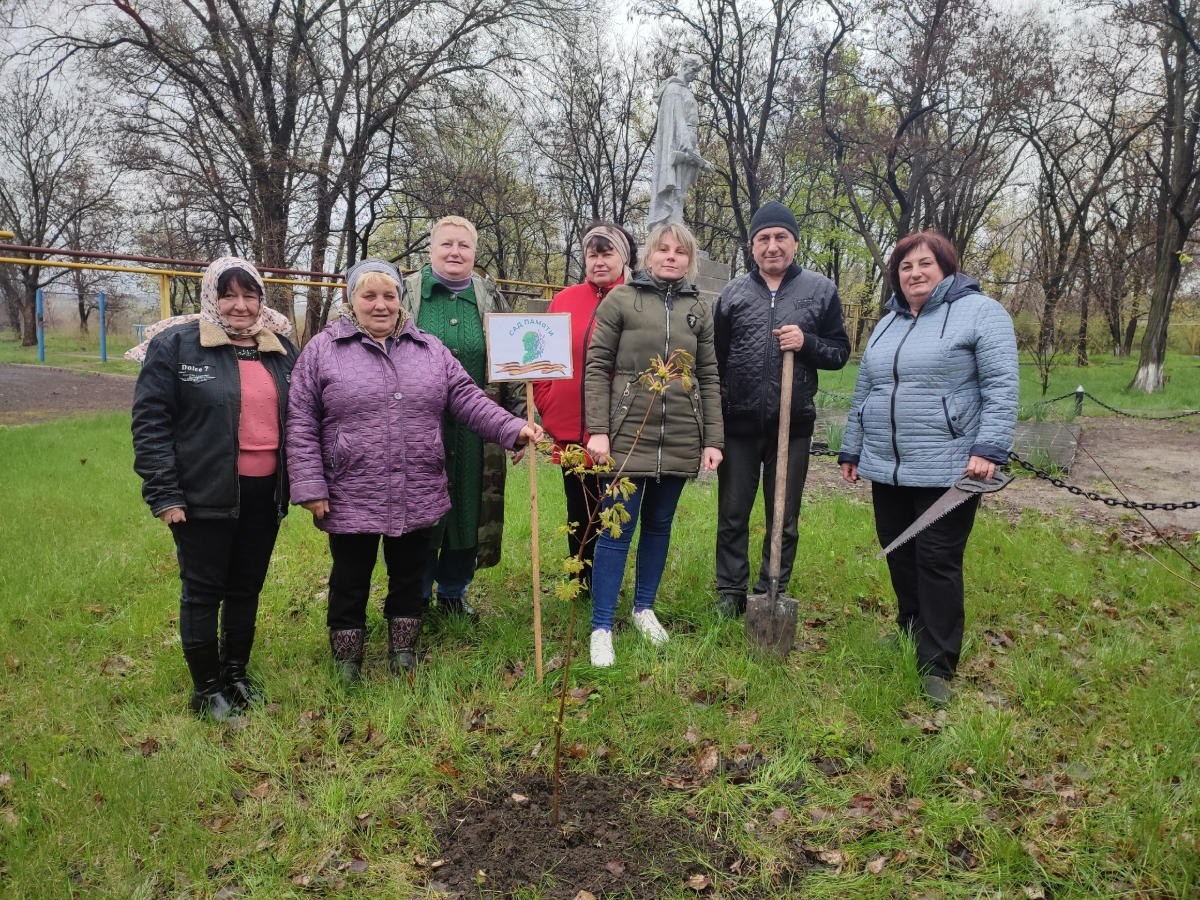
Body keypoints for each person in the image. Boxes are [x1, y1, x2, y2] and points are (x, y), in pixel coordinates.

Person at [286, 260, 541, 681]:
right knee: (350, 577)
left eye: (388, 295)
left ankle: (403, 650)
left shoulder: (429, 348)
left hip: (418, 484)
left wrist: (513, 428)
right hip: (351, 488)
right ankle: (347, 657)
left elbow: (468, 399)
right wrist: (310, 484)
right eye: (369, 296)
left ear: (399, 299)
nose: (380, 305)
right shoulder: (323, 349)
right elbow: (300, 420)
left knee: (409, 574)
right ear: (352, 300)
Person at [838, 232, 1017, 708]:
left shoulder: (981, 312)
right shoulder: (887, 323)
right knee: (898, 550)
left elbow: (1001, 386)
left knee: (937, 560)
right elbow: (866, 390)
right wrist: (852, 449)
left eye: (924, 264)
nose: (914, 273)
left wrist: (990, 448)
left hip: (949, 466)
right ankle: (909, 630)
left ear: (946, 267)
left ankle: (937, 662)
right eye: (904, 267)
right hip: (889, 465)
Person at [130, 257, 297, 721]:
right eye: (229, 295)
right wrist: (164, 493)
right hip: (203, 493)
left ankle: (236, 674)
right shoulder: (176, 346)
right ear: (211, 297)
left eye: (250, 295)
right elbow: (151, 424)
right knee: (203, 591)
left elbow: (302, 417)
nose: (240, 306)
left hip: (265, 493)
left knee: (246, 587)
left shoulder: (279, 348)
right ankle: (206, 690)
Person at [583, 222, 724, 667]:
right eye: (662, 249)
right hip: (627, 434)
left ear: (689, 260)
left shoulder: (699, 307)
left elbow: (709, 375)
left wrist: (713, 439)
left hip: (681, 435)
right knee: (615, 531)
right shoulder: (621, 300)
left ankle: (644, 608)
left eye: (679, 252)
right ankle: (601, 625)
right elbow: (596, 366)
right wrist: (598, 430)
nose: (670, 257)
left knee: (659, 527)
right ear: (647, 255)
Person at [712, 201, 851, 618]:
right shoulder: (733, 293)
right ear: (752, 246)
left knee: (783, 514)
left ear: (794, 241)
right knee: (733, 512)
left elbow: (840, 351)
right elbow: (716, 360)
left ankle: (772, 586)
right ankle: (731, 592)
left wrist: (806, 343)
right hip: (738, 425)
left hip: (792, 426)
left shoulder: (820, 290)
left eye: (780, 238)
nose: (772, 247)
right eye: (763, 239)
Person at [402, 216, 525, 620]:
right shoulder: (406, 294)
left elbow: (516, 367)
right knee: (419, 512)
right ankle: (413, 597)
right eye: (446, 245)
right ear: (431, 250)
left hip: (479, 430)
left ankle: (454, 593)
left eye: (464, 246)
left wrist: (519, 422)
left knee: (470, 510)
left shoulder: (489, 297)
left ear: (475, 253)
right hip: (418, 427)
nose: (455, 252)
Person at [533, 222, 638, 596]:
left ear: (624, 258)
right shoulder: (563, 300)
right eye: (592, 254)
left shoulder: (637, 298)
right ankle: (581, 581)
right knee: (578, 509)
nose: (599, 261)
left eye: (607, 253)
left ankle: (607, 583)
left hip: (618, 428)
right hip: (569, 427)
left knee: (614, 510)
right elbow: (541, 359)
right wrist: (545, 400)